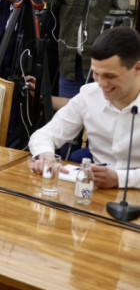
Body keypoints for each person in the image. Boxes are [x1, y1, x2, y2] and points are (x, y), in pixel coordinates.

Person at [29, 28, 140, 189]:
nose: (101, 84)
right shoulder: (90, 95)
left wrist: (119, 178)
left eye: (110, 76)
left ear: (137, 69)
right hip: (95, 191)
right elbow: (45, 134)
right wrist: (46, 155)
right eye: (96, 74)